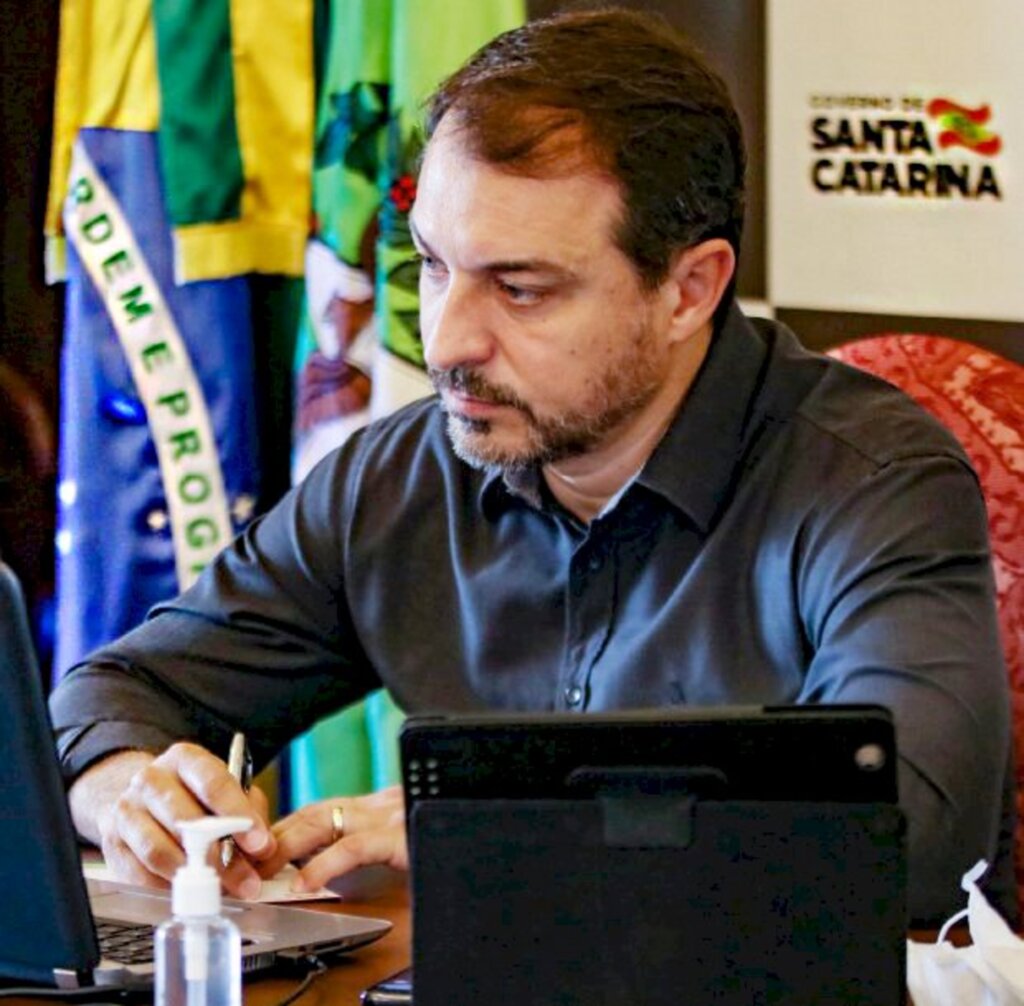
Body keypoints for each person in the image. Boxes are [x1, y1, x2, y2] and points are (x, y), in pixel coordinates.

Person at [49, 7, 1013, 926]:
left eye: (520, 289)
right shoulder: (402, 471)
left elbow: (914, 841)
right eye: (431, 267)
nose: (449, 340)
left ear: (690, 289)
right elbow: (104, 696)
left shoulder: (874, 481)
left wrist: (496, 823)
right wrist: (129, 792)